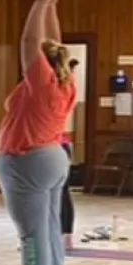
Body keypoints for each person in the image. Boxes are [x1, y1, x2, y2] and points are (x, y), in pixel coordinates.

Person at [0, 0, 77, 265]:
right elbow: (52, 44)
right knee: (50, 223)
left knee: (29, 231)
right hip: (54, 158)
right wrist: (51, 8)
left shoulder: (41, 82)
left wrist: (40, 1)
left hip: (26, 160)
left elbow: (30, 42)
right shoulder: (65, 83)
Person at [61, 58, 79, 250]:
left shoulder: (61, 89)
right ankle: (65, 238)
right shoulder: (69, 88)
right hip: (62, 145)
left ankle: (64, 237)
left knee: (57, 194)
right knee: (61, 193)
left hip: (55, 145)